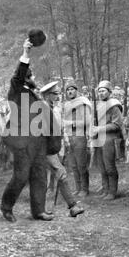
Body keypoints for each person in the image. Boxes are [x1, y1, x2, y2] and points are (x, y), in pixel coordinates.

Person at [1, 39, 59, 222]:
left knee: (39, 175)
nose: (34, 78)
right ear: (26, 77)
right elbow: (18, 75)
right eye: (31, 75)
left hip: (38, 141)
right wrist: (25, 53)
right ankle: (7, 207)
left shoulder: (34, 93)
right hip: (23, 142)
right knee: (21, 175)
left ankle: (38, 211)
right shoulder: (17, 90)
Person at [41, 81, 85, 217]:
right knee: (60, 174)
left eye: (58, 93)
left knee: (54, 178)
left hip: (52, 147)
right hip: (44, 149)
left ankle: (47, 208)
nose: (58, 96)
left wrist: (62, 140)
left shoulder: (52, 108)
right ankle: (72, 206)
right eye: (55, 94)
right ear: (47, 95)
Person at [91, 80, 123, 201]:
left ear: (109, 92)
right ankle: (105, 189)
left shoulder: (114, 105)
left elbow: (117, 124)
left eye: (103, 90)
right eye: (99, 91)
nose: (101, 93)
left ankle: (112, 191)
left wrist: (99, 128)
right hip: (98, 138)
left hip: (109, 138)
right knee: (102, 166)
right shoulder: (98, 105)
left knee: (109, 166)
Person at [63, 80, 92, 197]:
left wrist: (69, 123)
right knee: (73, 165)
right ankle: (78, 187)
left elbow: (86, 121)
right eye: (68, 90)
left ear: (76, 90)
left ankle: (85, 189)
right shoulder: (66, 104)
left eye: (72, 89)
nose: (70, 92)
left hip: (80, 135)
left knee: (81, 164)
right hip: (69, 137)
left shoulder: (83, 103)